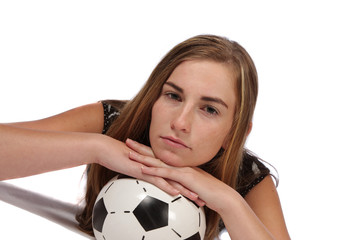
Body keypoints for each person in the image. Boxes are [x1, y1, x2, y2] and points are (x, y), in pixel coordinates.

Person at [0, 35, 290, 239]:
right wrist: (99, 147)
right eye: (173, 95)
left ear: (235, 133)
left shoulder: (246, 177)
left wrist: (228, 200)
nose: (180, 122)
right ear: (154, 97)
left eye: (209, 109)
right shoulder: (113, 121)